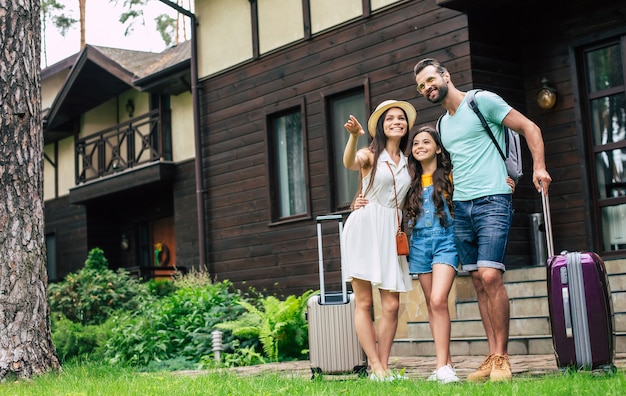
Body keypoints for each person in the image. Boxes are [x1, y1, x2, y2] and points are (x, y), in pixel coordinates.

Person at [413, 58, 552, 382]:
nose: (427, 87)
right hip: (461, 207)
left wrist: (538, 167)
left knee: (491, 276)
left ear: (446, 75)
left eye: (431, 79)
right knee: (476, 280)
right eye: (421, 86)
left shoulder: (481, 101)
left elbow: (530, 127)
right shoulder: (443, 126)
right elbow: (455, 165)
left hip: (493, 199)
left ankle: (503, 357)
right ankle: (491, 357)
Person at [341, 99, 416, 381]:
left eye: (401, 118)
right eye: (390, 119)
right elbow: (350, 162)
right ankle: (375, 365)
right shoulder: (370, 154)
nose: (396, 122)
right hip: (365, 225)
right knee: (363, 302)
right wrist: (352, 137)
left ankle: (382, 367)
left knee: (392, 305)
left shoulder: (410, 164)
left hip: (392, 231)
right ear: (381, 127)